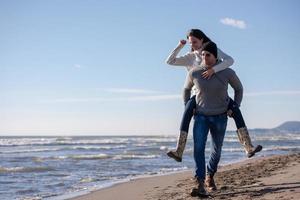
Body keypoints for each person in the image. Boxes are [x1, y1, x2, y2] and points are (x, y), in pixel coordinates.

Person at [165, 29, 262, 162]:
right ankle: (179, 151)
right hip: (198, 95)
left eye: (195, 42)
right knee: (186, 111)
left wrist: (213, 70)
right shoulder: (190, 57)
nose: (192, 45)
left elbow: (230, 60)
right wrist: (179, 46)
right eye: (190, 43)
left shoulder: (212, 49)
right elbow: (170, 61)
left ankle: (248, 147)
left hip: (218, 94)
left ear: (202, 40)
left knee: (236, 110)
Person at [185, 41, 242, 196]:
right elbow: (186, 89)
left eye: (208, 55)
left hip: (220, 117)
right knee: (198, 148)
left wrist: (234, 107)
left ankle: (210, 175)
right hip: (201, 117)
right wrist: (188, 107)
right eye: (203, 55)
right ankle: (200, 181)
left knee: (216, 150)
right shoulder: (195, 72)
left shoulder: (227, 72)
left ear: (215, 56)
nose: (205, 57)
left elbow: (239, 89)